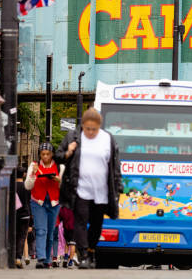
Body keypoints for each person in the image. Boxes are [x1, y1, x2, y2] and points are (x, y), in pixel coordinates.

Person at [55, 107, 123, 269]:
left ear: (100, 126)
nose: (91, 132)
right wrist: (68, 152)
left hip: (101, 191)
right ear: (82, 126)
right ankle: (84, 254)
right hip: (80, 189)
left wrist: (118, 184)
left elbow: (115, 165)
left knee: (96, 224)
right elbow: (57, 156)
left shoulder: (108, 139)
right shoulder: (74, 137)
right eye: (87, 129)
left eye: (94, 129)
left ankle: (92, 250)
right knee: (80, 221)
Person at [25, 142, 65, 269]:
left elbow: (66, 188)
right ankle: (41, 258)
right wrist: (33, 175)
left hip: (54, 203)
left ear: (52, 154)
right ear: (40, 154)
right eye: (43, 154)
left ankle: (47, 259)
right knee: (41, 230)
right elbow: (27, 186)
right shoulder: (33, 166)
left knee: (50, 232)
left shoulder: (60, 167)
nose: (45, 157)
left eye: (48, 154)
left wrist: (59, 180)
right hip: (38, 202)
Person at [15, 166, 31, 268]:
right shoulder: (27, 187)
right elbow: (29, 203)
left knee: (13, 235)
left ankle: (12, 257)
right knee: (22, 237)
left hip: (13, 215)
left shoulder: (12, 186)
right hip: (25, 215)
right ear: (24, 174)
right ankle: (18, 258)